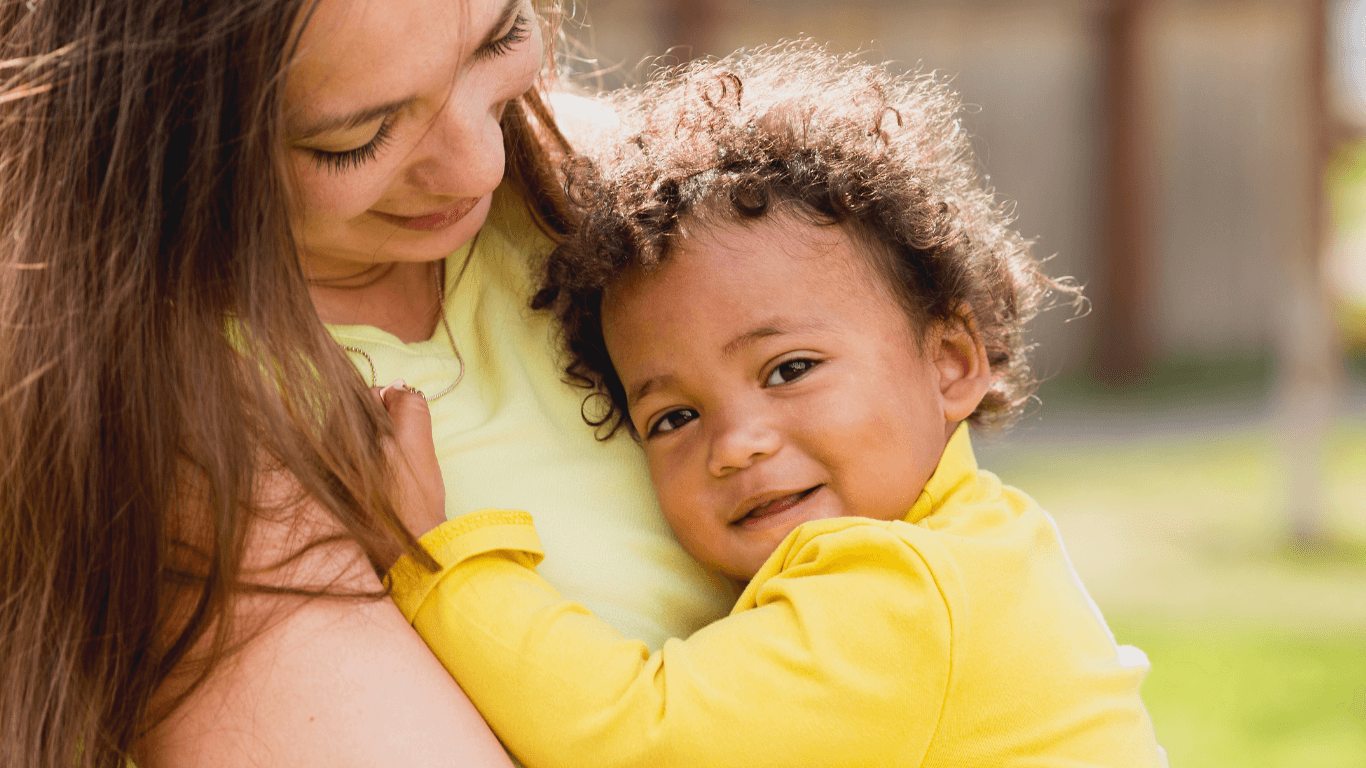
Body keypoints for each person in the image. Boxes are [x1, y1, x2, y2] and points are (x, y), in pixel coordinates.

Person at [383, 45, 1167, 767]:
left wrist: (439, 560)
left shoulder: (908, 593)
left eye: (790, 368)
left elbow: (638, 735)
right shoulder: (976, 542)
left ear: (951, 362)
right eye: (674, 418)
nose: (735, 444)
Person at [0, 1, 731, 766]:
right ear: (154, 133)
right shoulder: (180, 433)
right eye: (358, 140)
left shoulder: (638, 185)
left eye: (502, 37)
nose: (481, 165)